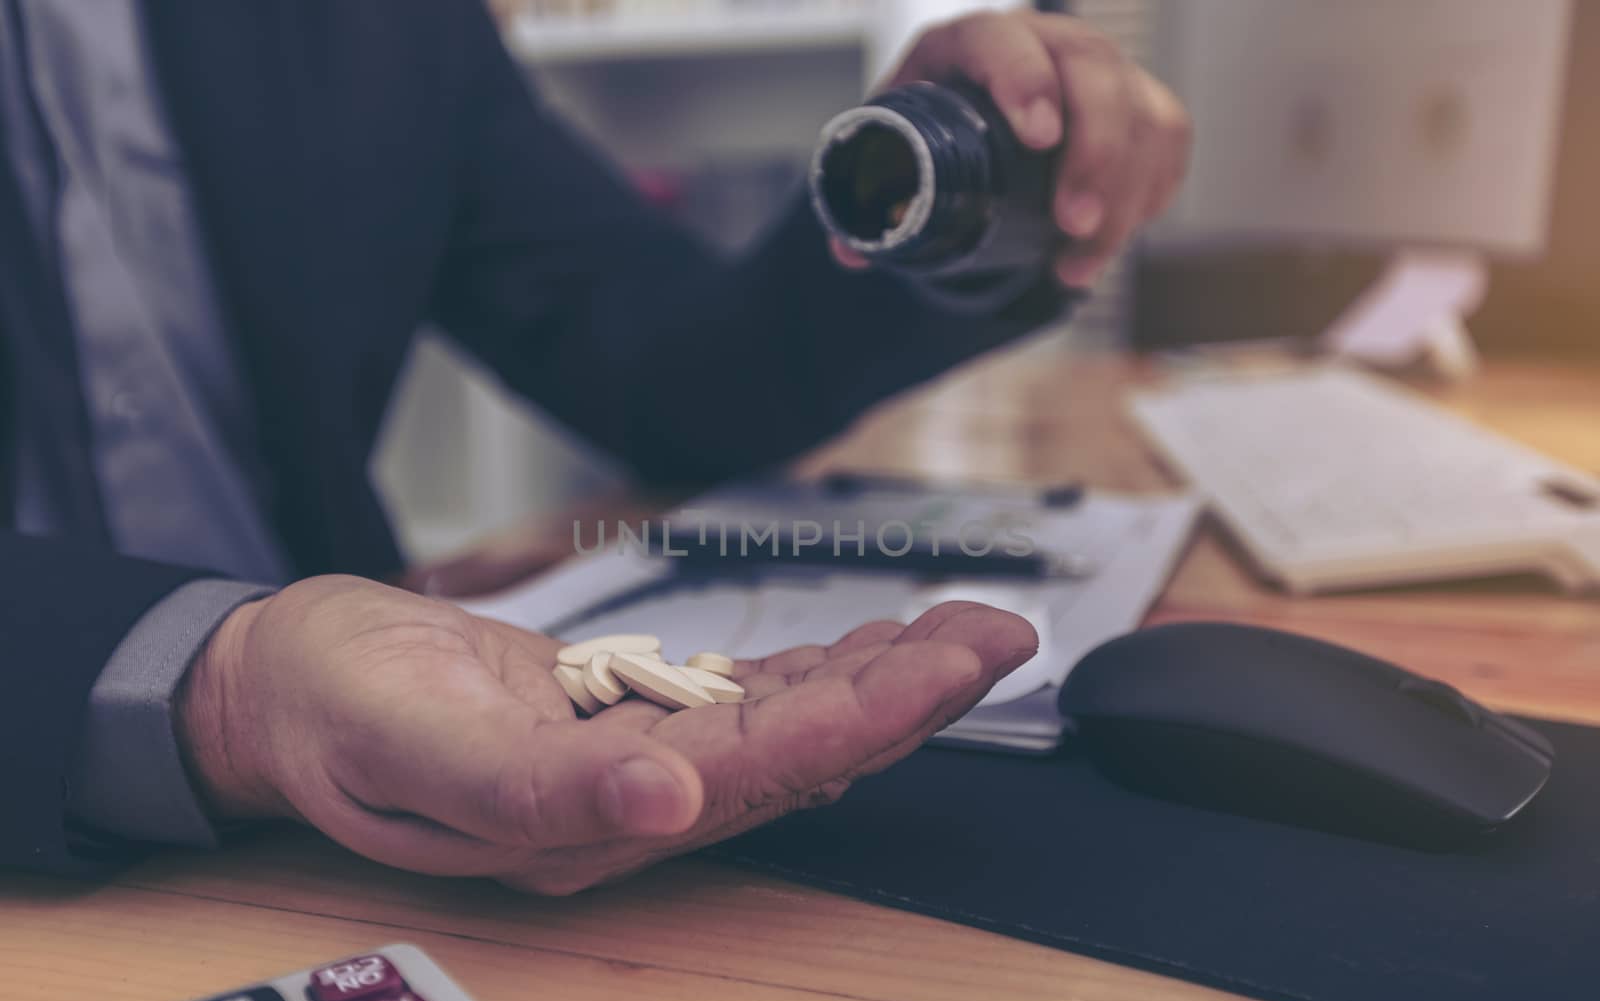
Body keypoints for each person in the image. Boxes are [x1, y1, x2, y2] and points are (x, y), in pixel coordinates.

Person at [0, 0, 1189, 892]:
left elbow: (675, 369)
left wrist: (956, 187)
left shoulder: (373, 24)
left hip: (344, 861)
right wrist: (221, 682)